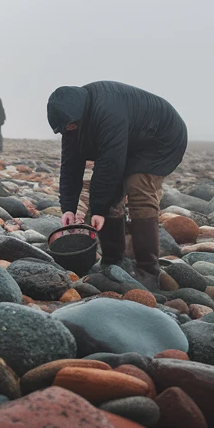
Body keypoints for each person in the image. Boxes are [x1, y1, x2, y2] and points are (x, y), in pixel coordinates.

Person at [47, 81, 187, 291]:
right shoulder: (72, 123)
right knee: (108, 191)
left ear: (79, 115)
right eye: (64, 129)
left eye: (71, 126)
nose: (68, 131)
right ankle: (112, 261)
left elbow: (110, 164)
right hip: (133, 139)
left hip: (162, 138)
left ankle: (149, 271)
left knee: (137, 186)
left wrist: (100, 209)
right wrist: (69, 207)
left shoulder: (107, 110)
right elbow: (70, 167)